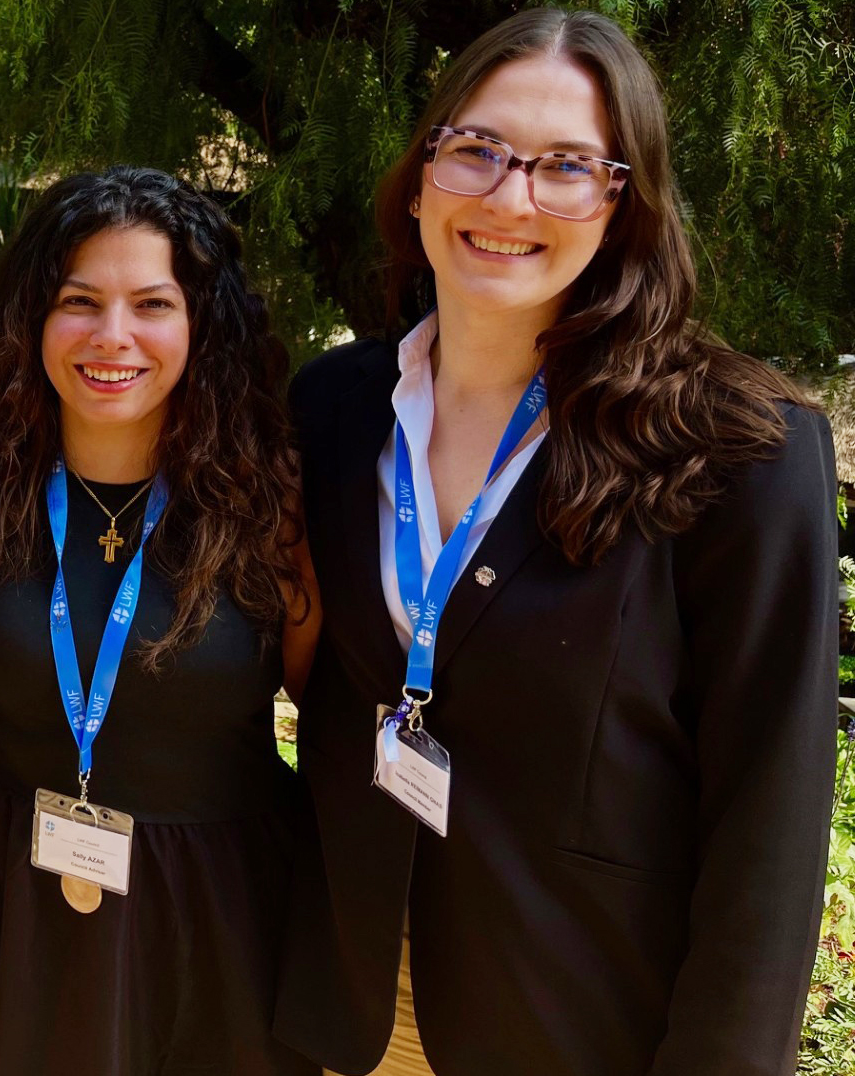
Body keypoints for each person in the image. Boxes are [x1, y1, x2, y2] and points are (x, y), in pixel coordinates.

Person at [274, 9, 837, 1076]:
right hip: (343, 1020)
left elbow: (769, 831)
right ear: (424, 169)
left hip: (580, 1024)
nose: (508, 196)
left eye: (567, 166)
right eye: (476, 149)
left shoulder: (740, 451)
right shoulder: (335, 410)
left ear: (625, 201)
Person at [0, 166, 321, 1076]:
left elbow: (325, 697)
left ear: (201, 324)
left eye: (152, 303)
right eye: (78, 301)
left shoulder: (275, 506)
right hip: (15, 899)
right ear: (34, 318)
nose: (113, 337)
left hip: (222, 910)